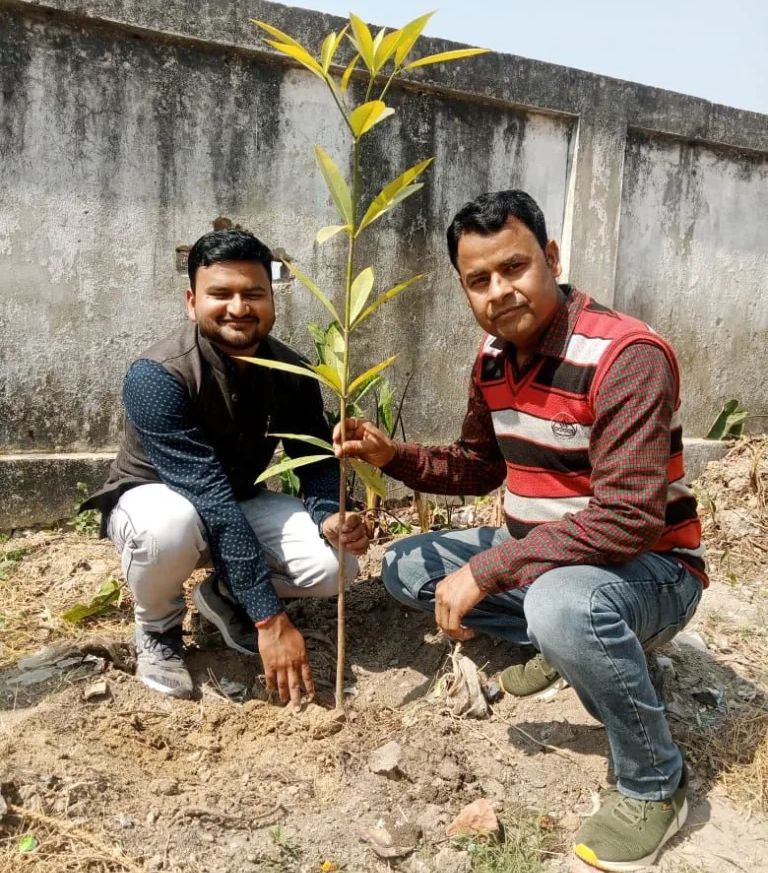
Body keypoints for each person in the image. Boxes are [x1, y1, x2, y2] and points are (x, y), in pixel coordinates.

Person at [333, 190, 706, 872]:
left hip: (652, 572)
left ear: (552, 258)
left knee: (560, 602)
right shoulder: (494, 357)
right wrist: (396, 458)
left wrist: (489, 570)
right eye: (479, 280)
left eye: (515, 268)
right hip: (547, 559)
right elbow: (479, 466)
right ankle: (565, 642)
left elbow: (627, 518)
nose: (499, 292)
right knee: (408, 566)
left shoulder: (627, 356)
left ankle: (657, 781)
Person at [84, 229, 368, 708]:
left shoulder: (291, 371)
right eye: (221, 294)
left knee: (334, 566)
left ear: (272, 299)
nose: (239, 307)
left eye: (253, 293)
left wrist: (328, 513)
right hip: (155, 500)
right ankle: (158, 626)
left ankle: (224, 597)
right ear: (192, 301)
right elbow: (207, 497)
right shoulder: (157, 375)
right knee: (169, 528)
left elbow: (316, 453)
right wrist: (270, 620)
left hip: (238, 499)